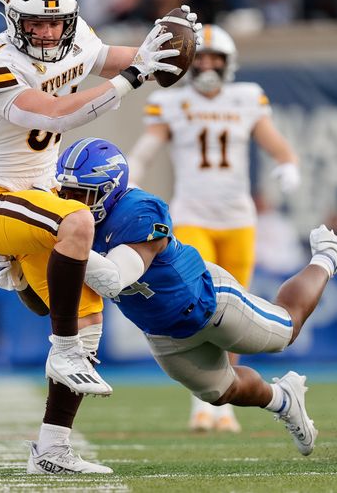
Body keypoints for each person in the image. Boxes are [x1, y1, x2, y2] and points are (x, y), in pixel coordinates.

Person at [0, 0, 198, 474]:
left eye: (56, 23)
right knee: (77, 223)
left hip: (40, 199)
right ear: (12, 20)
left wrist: (159, 46)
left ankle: (51, 448)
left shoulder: (75, 39)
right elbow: (53, 114)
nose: (48, 32)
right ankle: (60, 342)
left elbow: (121, 58)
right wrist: (133, 78)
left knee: (87, 318)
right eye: (36, 23)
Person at [52, 138, 337, 456]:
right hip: (162, 330)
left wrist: (57, 241)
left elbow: (114, 278)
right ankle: (283, 399)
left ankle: (328, 256)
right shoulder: (71, 218)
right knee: (221, 392)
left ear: (111, 189)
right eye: (65, 193)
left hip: (208, 300)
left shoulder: (138, 211)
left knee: (285, 330)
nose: (71, 202)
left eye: (82, 195)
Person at [128, 24, 300, 433]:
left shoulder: (246, 98)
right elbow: (148, 146)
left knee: (234, 313)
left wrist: (287, 162)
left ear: (228, 64)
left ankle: (224, 403)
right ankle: (201, 402)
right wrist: (131, 172)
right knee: (200, 307)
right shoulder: (171, 103)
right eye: (200, 58)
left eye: (213, 59)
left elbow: (273, 139)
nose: (206, 65)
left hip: (238, 218)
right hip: (192, 216)